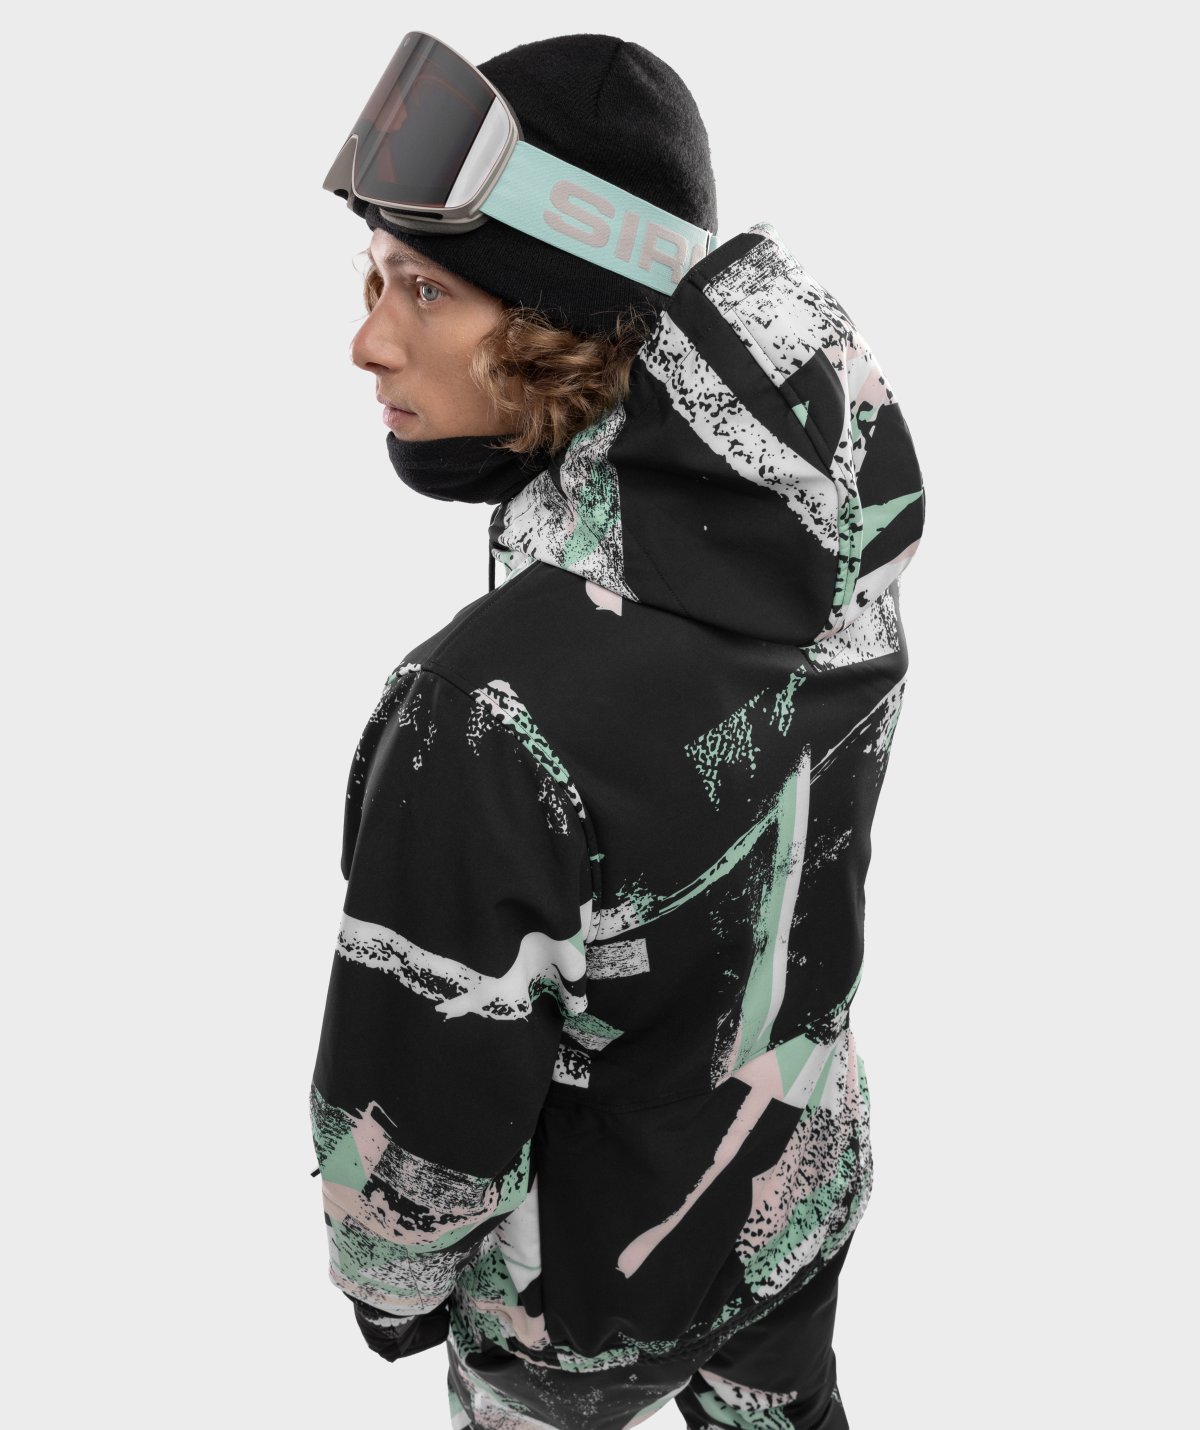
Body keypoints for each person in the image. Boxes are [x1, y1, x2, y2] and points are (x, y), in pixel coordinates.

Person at [309, 30, 925, 1430]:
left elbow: (420, 1085)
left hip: (578, 1299)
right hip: (790, 1195)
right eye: (373, 277)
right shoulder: (831, 542)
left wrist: (391, 1287)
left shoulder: (482, 707)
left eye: (427, 287)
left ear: (560, 318)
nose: (370, 340)